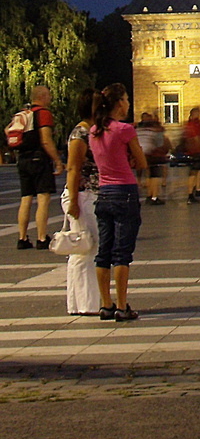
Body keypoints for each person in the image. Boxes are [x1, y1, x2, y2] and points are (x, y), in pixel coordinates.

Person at [77, 84, 147, 321]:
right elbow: (141, 161)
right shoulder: (124, 130)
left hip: (103, 194)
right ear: (119, 104)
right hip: (124, 192)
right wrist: (130, 159)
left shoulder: (94, 131)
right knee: (122, 252)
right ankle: (122, 304)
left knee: (103, 252)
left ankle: (105, 305)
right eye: (126, 99)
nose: (128, 103)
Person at [62, 89, 100, 314]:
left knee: (81, 251)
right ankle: (86, 304)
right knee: (86, 249)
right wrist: (74, 200)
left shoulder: (89, 131)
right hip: (82, 194)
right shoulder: (80, 134)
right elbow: (73, 168)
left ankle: (78, 304)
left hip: (87, 194)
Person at [12, 84, 63, 250]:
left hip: (23, 160)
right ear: (42, 97)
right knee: (43, 198)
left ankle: (22, 237)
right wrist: (57, 160)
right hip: (38, 159)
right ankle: (41, 238)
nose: (50, 98)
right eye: (48, 95)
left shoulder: (23, 114)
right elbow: (46, 140)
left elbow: (9, 131)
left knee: (26, 198)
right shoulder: (44, 114)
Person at [135, 112, 169, 204]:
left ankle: (149, 196)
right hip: (155, 155)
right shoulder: (154, 130)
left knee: (149, 175)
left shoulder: (139, 129)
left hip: (144, 154)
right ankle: (154, 197)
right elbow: (159, 143)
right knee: (155, 177)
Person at [181, 107, 200, 202]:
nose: (199, 115)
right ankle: (190, 194)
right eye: (198, 113)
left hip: (197, 151)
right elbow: (196, 137)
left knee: (197, 171)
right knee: (193, 173)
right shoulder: (193, 125)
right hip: (195, 151)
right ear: (193, 114)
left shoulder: (195, 123)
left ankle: (196, 189)